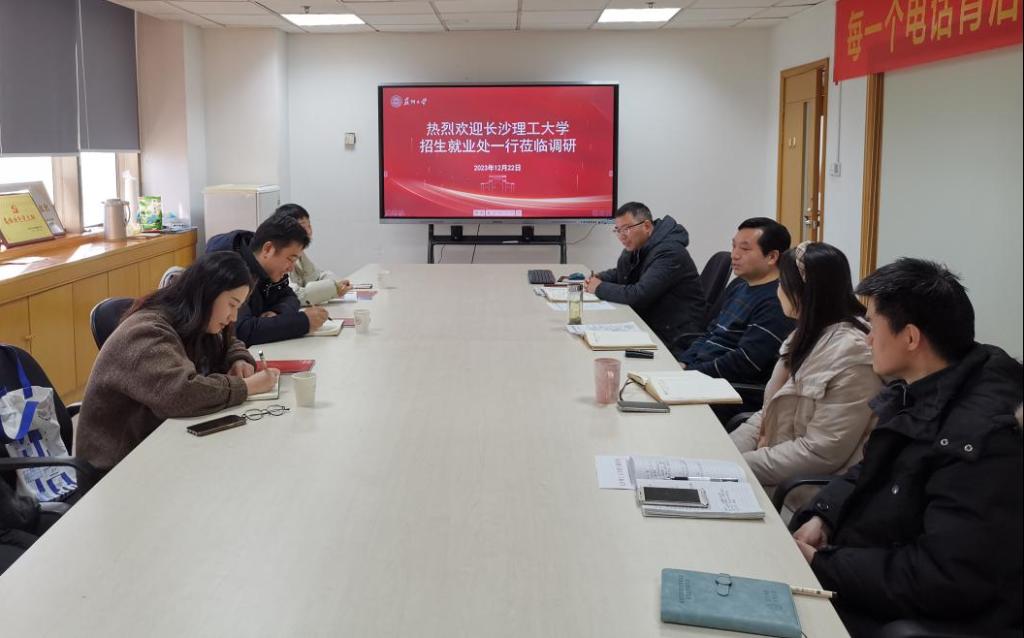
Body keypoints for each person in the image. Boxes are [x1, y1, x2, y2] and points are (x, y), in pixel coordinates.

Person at [791, 258, 1023, 637]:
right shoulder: (928, 385)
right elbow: (870, 468)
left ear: (911, 338)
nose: (867, 338)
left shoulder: (980, 438)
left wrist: (824, 564)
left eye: (873, 325)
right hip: (871, 567)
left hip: (920, 613)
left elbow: (944, 578)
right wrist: (824, 516)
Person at [75, 252, 280, 472]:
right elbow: (182, 393)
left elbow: (228, 340)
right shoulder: (146, 332)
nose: (234, 317)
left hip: (160, 444)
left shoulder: (194, 320)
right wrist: (246, 387)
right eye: (232, 304)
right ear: (207, 294)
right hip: (118, 467)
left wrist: (238, 358)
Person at [730, 242, 881, 510]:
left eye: (782, 283)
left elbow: (821, 452)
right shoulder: (805, 335)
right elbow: (768, 413)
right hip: (774, 466)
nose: (778, 290)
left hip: (805, 494)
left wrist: (738, 465)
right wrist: (725, 451)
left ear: (803, 292)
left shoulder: (853, 357)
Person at [676, 217, 795, 420]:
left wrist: (691, 375)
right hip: (703, 376)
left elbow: (745, 362)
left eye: (745, 249)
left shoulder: (776, 301)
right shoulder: (740, 285)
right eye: (734, 246)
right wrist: (684, 362)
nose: (734, 255)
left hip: (730, 390)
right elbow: (711, 332)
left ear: (772, 256)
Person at [584, 202, 705, 350]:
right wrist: (599, 277)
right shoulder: (641, 246)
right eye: (618, 230)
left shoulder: (669, 253)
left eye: (627, 229)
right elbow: (623, 273)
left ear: (646, 226)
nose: (621, 236)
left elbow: (638, 295)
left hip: (673, 335)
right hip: (651, 323)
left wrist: (599, 288)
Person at [206, 214, 329, 345]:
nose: (291, 268)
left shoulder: (268, 269)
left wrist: (276, 312)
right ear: (268, 249)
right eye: (290, 259)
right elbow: (241, 330)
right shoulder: (230, 268)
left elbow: (290, 297)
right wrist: (303, 322)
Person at [270, 203, 351, 306]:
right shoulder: (277, 255)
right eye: (303, 226)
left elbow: (316, 277)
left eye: (309, 226)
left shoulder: (299, 252)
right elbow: (294, 294)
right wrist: (333, 288)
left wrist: (337, 285)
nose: (309, 231)